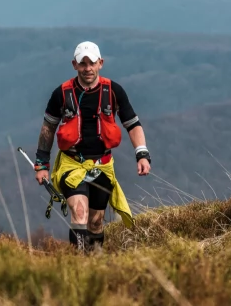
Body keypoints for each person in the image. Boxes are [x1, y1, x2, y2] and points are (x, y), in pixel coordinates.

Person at [34, 40, 151, 252]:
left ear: (100, 63)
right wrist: (41, 164)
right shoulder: (61, 93)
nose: (87, 68)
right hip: (72, 165)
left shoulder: (113, 91)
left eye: (92, 63)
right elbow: (47, 129)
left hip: (103, 165)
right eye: (82, 63)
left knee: (96, 221)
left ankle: (94, 261)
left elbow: (133, 124)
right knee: (80, 213)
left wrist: (142, 154)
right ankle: (78, 264)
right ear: (74, 65)